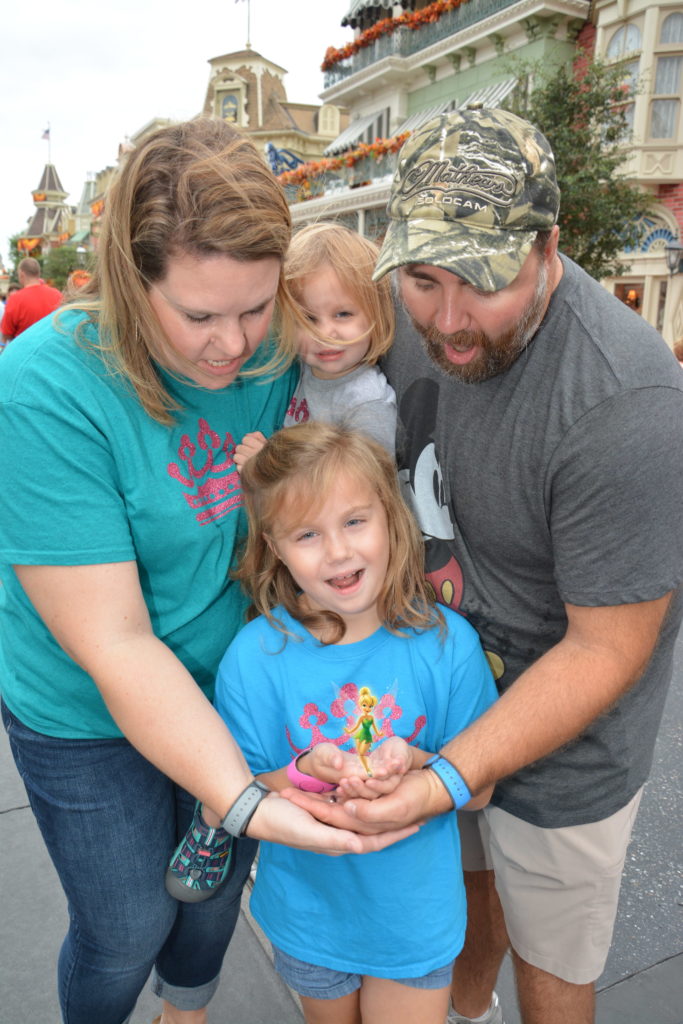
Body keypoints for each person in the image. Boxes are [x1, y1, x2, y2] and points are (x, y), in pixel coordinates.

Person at [0, 119, 411, 1024]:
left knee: (212, 895)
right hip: (83, 703)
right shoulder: (42, 389)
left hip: (230, 676)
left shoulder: (278, 347)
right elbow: (114, 641)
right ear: (127, 278)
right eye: (198, 316)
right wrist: (244, 802)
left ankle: (183, 1015)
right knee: (125, 922)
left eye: (258, 308)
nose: (234, 347)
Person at [285, 108, 683, 1024]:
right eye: (423, 281)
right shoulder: (398, 312)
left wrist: (449, 774)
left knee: (550, 962)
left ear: (549, 245)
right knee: (461, 902)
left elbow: (603, 651)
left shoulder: (626, 404)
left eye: (483, 282)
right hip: (425, 692)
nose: (448, 319)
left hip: (563, 744)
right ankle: (466, 1013)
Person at [168, 421, 498, 1024]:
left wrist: (419, 762)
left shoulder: (449, 646)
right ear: (273, 545)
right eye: (307, 534)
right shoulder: (253, 656)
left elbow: (480, 791)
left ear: (391, 519)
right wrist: (303, 772)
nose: (339, 551)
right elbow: (233, 793)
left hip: (416, 918)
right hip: (307, 913)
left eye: (354, 521)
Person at [234, 221, 396, 469]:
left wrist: (268, 468)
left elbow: (357, 493)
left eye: (343, 314)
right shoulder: (306, 369)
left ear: (377, 314)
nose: (324, 334)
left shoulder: (367, 404)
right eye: (307, 319)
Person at [0, 255, 62, 345]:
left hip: (24, 350)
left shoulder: (15, 299)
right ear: (38, 273)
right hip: (51, 349)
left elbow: (7, 334)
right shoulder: (57, 295)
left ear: (21, 274)